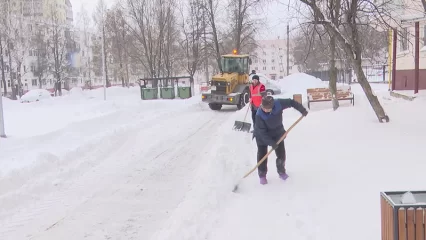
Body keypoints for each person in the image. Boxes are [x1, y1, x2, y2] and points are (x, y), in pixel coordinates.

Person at [253, 95, 308, 185]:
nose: (265, 110)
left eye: (267, 109)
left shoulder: (278, 104)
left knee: (281, 154)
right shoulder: (259, 114)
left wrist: (301, 109)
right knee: (262, 155)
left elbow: (291, 102)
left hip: (277, 133)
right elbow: (262, 133)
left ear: (272, 105)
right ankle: (262, 175)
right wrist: (271, 143)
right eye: (264, 108)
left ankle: (281, 171)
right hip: (262, 136)